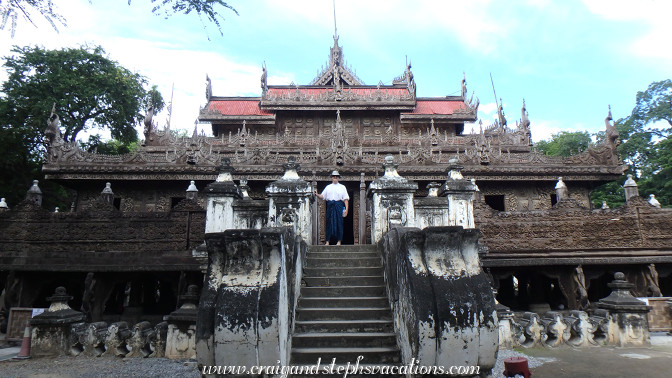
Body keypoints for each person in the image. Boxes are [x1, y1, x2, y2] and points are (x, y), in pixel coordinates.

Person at [314, 170, 349, 245]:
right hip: (330, 205)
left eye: (336, 177)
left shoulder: (342, 187)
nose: (335, 178)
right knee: (329, 222)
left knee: (339, 222)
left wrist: (346, 209)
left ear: (338, 178)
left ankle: (339, 241)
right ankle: (327, 241)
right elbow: (322, 196)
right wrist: (317, 194)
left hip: (339, 205)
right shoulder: (328, 187)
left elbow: (345, 199)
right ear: (332, 178)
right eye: (334, 177)